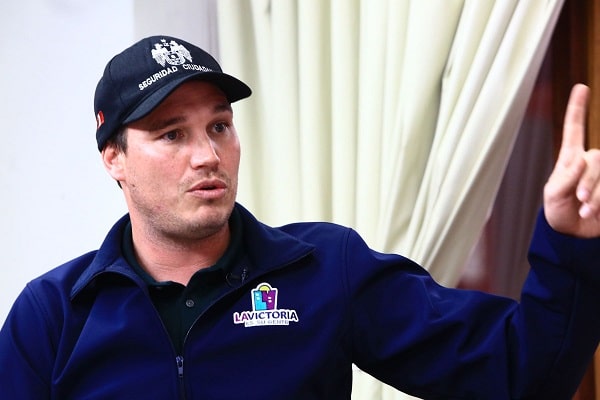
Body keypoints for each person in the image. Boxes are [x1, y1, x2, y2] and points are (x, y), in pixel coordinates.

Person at [1, 35, 600, 400]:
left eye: (219, 125)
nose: (207, 155)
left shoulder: (325, 270)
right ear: (114, 158)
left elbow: (520, 374)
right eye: (171, 134)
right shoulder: (52, 316)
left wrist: (569, 244)